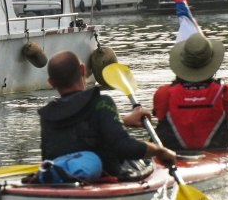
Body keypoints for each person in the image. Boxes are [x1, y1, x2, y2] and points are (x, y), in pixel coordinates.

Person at [39, 51, 176, 181]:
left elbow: (58, 149)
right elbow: (124, 147)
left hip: (61, 177)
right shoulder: (101, 102)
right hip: (105, 175)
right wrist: (160, 151)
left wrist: (122, 122)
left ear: (51, 82)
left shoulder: (47, 114)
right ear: (82, 70)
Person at [153, 32, 228, 150]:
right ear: (212, 64)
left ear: (182, 64)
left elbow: (160, 117)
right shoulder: (227, 92)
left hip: (174, 153)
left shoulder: (163, 93)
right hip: (217, 150)